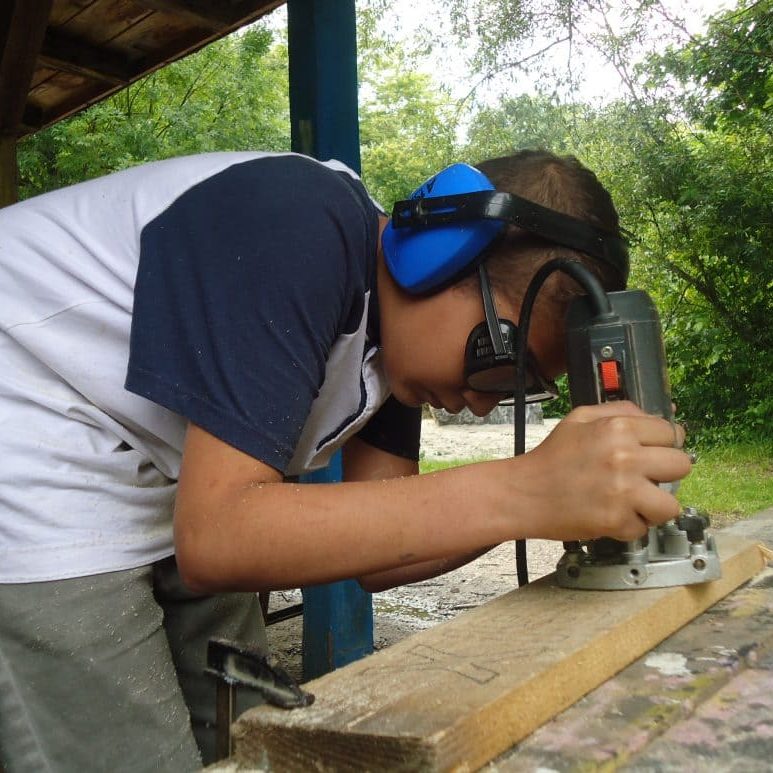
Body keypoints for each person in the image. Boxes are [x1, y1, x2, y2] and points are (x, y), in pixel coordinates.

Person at [0, 149, 690, 771]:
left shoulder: (392, 345)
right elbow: (218, 536)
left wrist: (559, 493)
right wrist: (524, 489)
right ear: (440, 254)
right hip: (28, 424)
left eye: (519, 387)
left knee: (243, 730)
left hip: (146, 463)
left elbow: (382, 554)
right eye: (496, 362)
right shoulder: (297, 226)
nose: (485, 403)